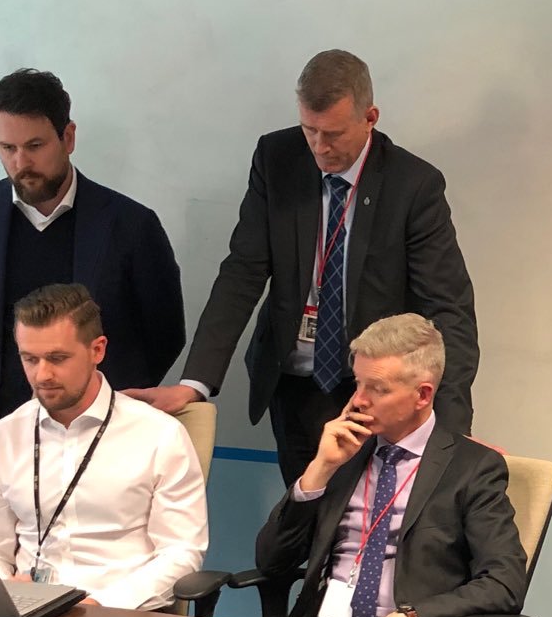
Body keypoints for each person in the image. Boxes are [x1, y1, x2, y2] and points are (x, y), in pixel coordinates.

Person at [127, 51, 479, 485]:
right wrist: (194, 383)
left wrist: (450, 425)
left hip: (374, 389)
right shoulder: (277, 159)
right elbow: (242, 272)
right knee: (304, 513)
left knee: (366, 523)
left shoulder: (413, 186)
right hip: (292, 383)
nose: (319, 147)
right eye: (309, 130)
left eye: (332, 133)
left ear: (370, 117)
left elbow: (448, 310)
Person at [0, 68, 186, 448]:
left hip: (104, 432)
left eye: (35, 145)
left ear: (68, 137)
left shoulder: (131, 224)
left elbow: (165, 334)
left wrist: (109, 397)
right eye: (7, 148)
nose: (21, 162)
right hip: (1, 428)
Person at [254, 315, 524, 617]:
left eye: (377, 389)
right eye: (358, 383)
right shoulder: (343, 452)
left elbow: (504, 583)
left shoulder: (473, 468)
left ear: (423, 395)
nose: (358, 400)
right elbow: (271, 562)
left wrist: (412, 615)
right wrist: (321, 469)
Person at [0, 283, 207, 612]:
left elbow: (181, 553)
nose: (43, 374)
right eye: (30, 359)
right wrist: (2, 592)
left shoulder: (159, 435)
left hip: (121, 615)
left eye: (57, 358)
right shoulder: (1, 438)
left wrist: (99, 605)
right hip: (24, 613)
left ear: (98, 350)